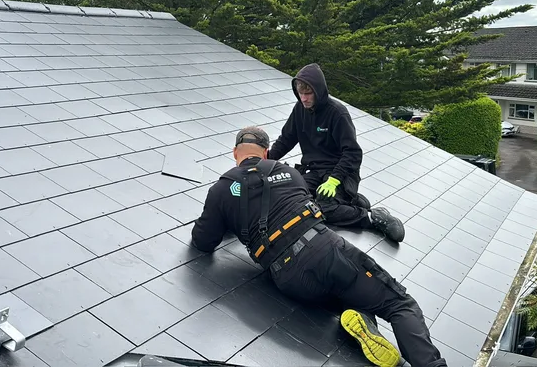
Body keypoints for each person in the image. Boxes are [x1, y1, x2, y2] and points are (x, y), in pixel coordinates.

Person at [191, 126, 447, 367]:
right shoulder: (290, 173)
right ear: (266, 152)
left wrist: (228, 217)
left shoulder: (221, 190)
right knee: (399, 304)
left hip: (288, 278)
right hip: (325, 251)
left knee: (346, 297)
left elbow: (203, 241)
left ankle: (359, 318)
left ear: (235, 152)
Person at [266, 63, 405, 243]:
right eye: (301, 94)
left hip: (341, 172)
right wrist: (265, 161)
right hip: (315, 172)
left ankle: (371, 217)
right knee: (295, 199)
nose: (304, 99)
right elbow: (286, 139)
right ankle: (351, 200)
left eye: (308, 94)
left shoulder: (337, 113)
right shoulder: (299, 109)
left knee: (323, 209)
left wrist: (334, 180)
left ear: (319, 91)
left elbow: (353, 153)